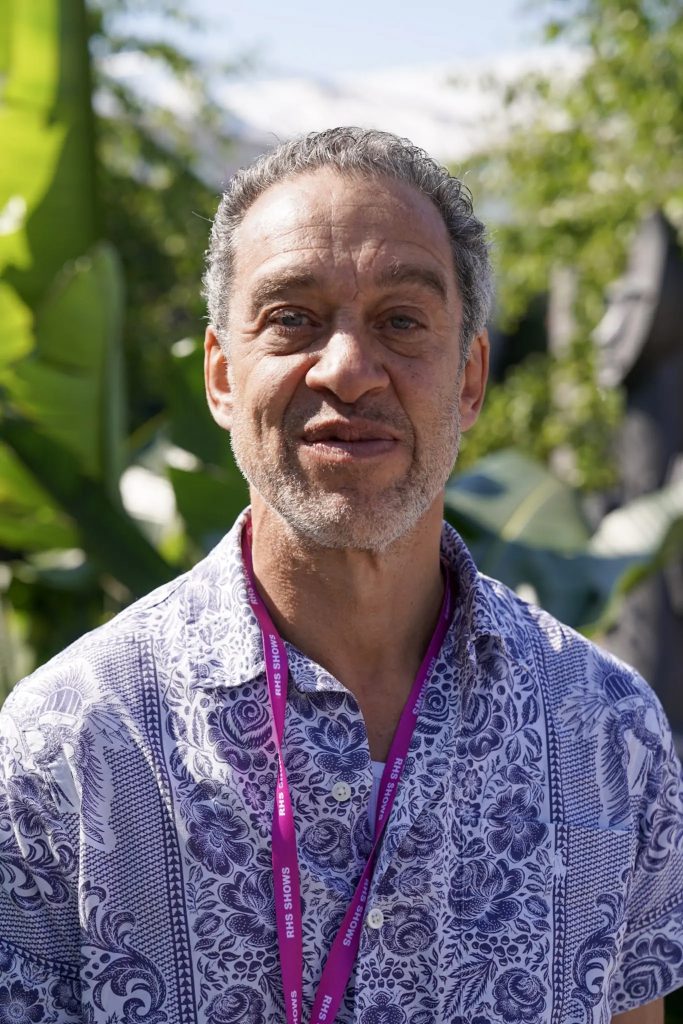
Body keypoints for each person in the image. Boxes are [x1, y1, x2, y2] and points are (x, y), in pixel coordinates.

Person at [0, 128, 681, 1024]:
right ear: (221, 377)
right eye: (293, 318)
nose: (349, 370)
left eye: (401, 320)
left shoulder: (605, 731)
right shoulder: (70, 741)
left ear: (469, 378)